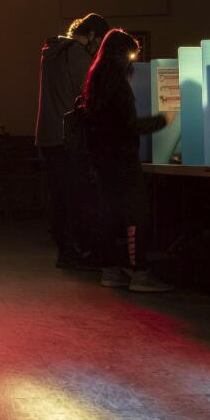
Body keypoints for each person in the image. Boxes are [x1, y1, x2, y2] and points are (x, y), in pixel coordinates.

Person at [80, 29, 174, 292]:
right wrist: (163, 120)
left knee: (109, 217)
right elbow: (127, 126)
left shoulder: (96, 80)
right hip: (122, 161)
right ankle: (140, 274)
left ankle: (111, 271)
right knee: (137, 217)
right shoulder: (119, 87)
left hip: (102, 163)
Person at [34, 13, 111, 268]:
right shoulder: (77, 54)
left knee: (58, 196)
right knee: (77, 196)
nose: (97, 49)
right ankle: (77, 252)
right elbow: (88, 92)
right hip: (68, 138)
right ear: (91, 35)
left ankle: (65, 251)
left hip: (46, 135)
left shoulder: (52, 52)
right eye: (98, 42)